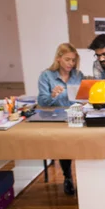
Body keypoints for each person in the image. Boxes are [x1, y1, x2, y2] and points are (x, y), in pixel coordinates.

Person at [37, 43, 84, 196]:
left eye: (73, 60)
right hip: (55, 117)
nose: (71, 63)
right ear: (58, 59)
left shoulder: (78, 75)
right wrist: (53, 96)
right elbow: (42, 102)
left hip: (75, 115)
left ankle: (85, 179)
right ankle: (68, 177)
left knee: (85, 142)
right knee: (65, 145)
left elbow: (83, 97)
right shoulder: (46, 76)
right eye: (67, 59)